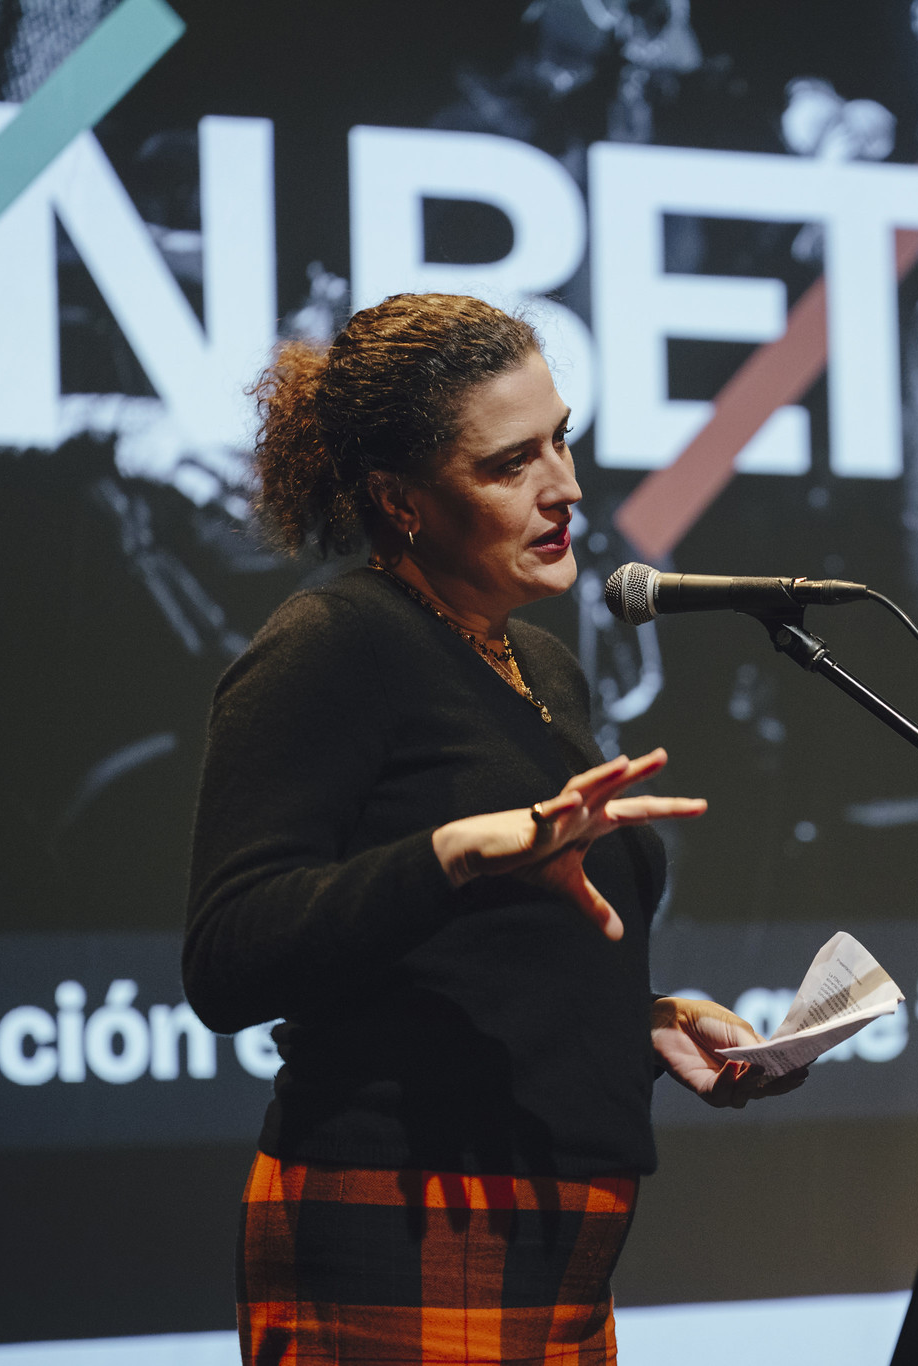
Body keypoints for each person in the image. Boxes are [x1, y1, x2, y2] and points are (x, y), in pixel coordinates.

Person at [183, 292, 805, 1366]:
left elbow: (475, 971)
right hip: (404, 1220)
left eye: (561, 440)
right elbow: (230, 956)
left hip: (560, 1245)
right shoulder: (331, 643)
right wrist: (456, 850)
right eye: (510, 462)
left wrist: (639, 1023)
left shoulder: (543, 668)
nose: (563, 485)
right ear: (400, 499)